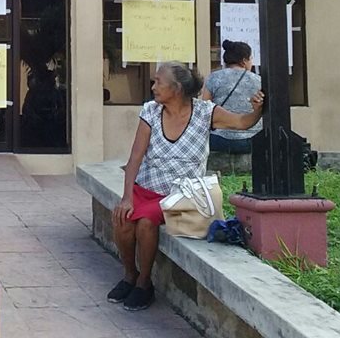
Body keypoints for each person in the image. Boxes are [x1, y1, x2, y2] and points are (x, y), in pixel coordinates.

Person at [108, 61, 264, 312]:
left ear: (177, 88)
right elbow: (135, 157)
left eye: (159, 81)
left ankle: (144, 283)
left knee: (146, 223)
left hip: (180, 194)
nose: (153, 86)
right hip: (146, 187)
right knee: (123, 218)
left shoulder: (205, 112)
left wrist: (257, 110)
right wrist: (127, 196)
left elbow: (242, 123)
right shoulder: (150, 111)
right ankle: (129, 275)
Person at [201, 40, 263, 154]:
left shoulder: (213, 78)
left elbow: (204, 108)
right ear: (244, 61)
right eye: (251, 59)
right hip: (252, 139)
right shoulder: (259, 81)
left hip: (219, 139)